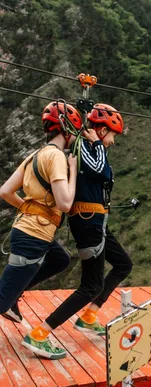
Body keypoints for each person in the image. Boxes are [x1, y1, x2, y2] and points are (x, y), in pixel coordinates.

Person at [22, 103, 133, 359]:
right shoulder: (86, 145)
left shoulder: (88, 146)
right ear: (102, 130)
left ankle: (90, 315)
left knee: (123, 264)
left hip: (95, 219)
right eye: (112, 135)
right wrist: (97, 144)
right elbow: (101, 172)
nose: (113, 142)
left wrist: (98, 145)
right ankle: (40, 333)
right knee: (91, 285)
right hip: (88, 220)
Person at [0, 101, 81, 347]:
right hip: (34, 235)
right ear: (67, 131)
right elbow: (65, 203)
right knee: (0, 299)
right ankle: (9, 298)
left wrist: (29, 207)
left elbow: (5, 191)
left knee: (61, 259)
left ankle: (14, 295)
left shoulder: (35, 155)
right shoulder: (57, 157)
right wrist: (73, 170)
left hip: (27, 230)